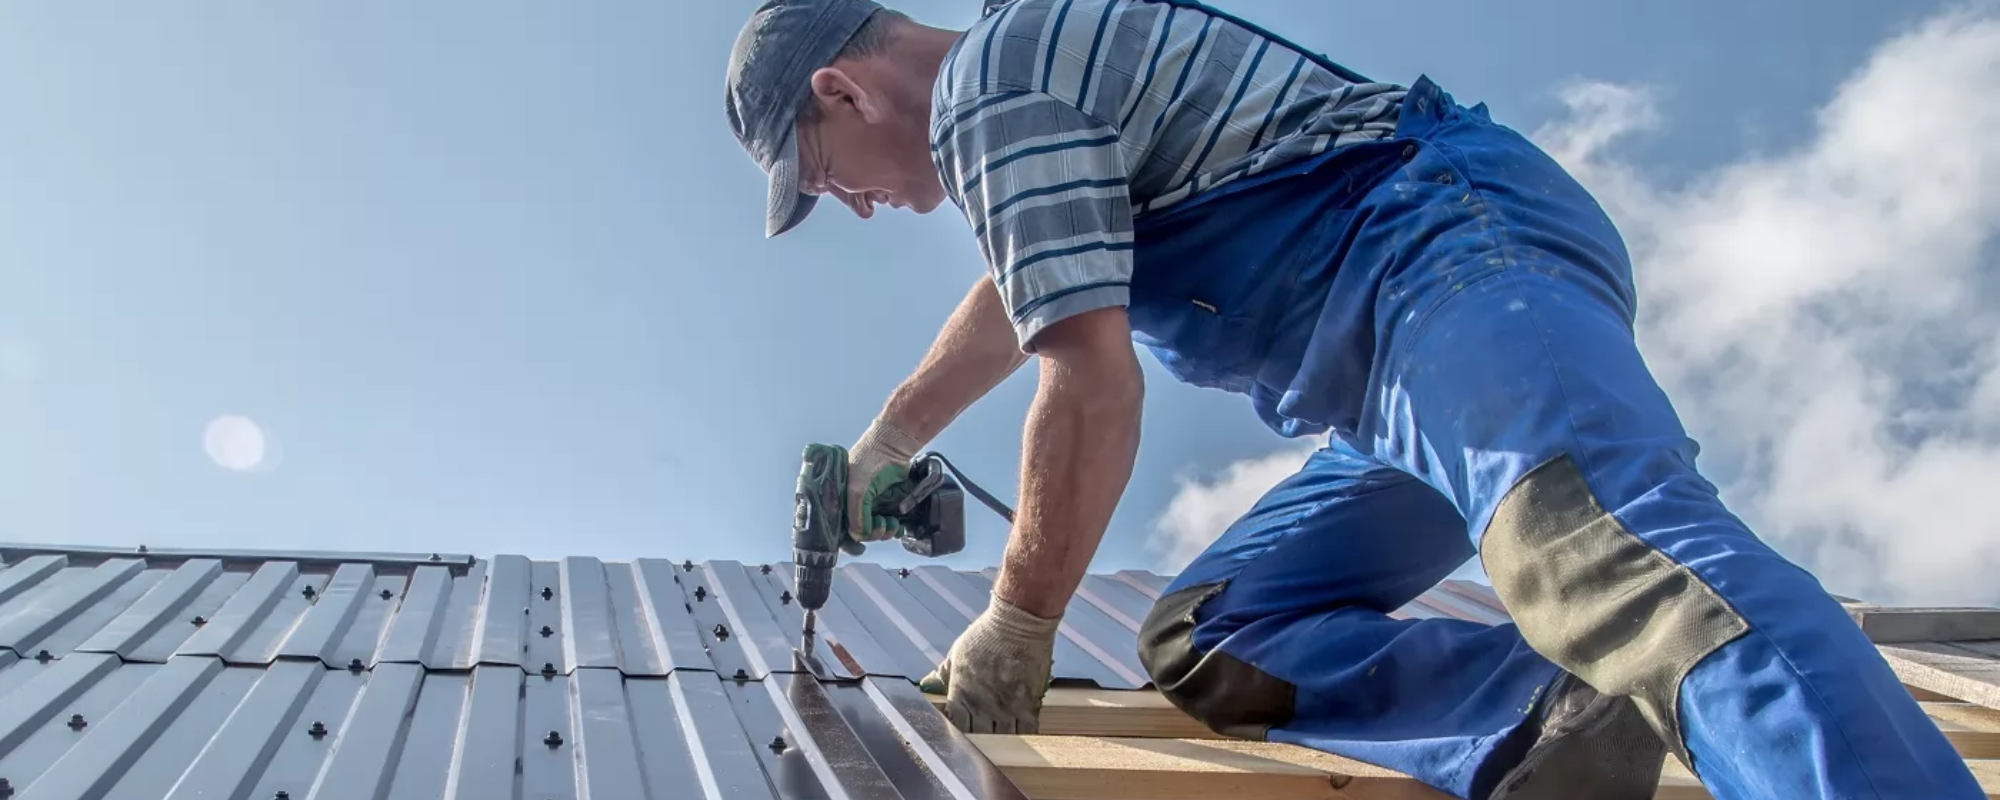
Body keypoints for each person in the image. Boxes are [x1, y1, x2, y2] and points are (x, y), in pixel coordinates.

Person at [723, 1, 1986, 798]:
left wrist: (1019, 620)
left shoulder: (992, 88)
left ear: (841, 89)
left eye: (821, 176)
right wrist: (889, 437)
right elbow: (1021, 290)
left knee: (1595, 546)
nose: (849, 204)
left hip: (1443, 256)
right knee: (1211, 631)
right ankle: (1548, 710)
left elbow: (1088, 374)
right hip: (1386, 388)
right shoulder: (1021, 113)